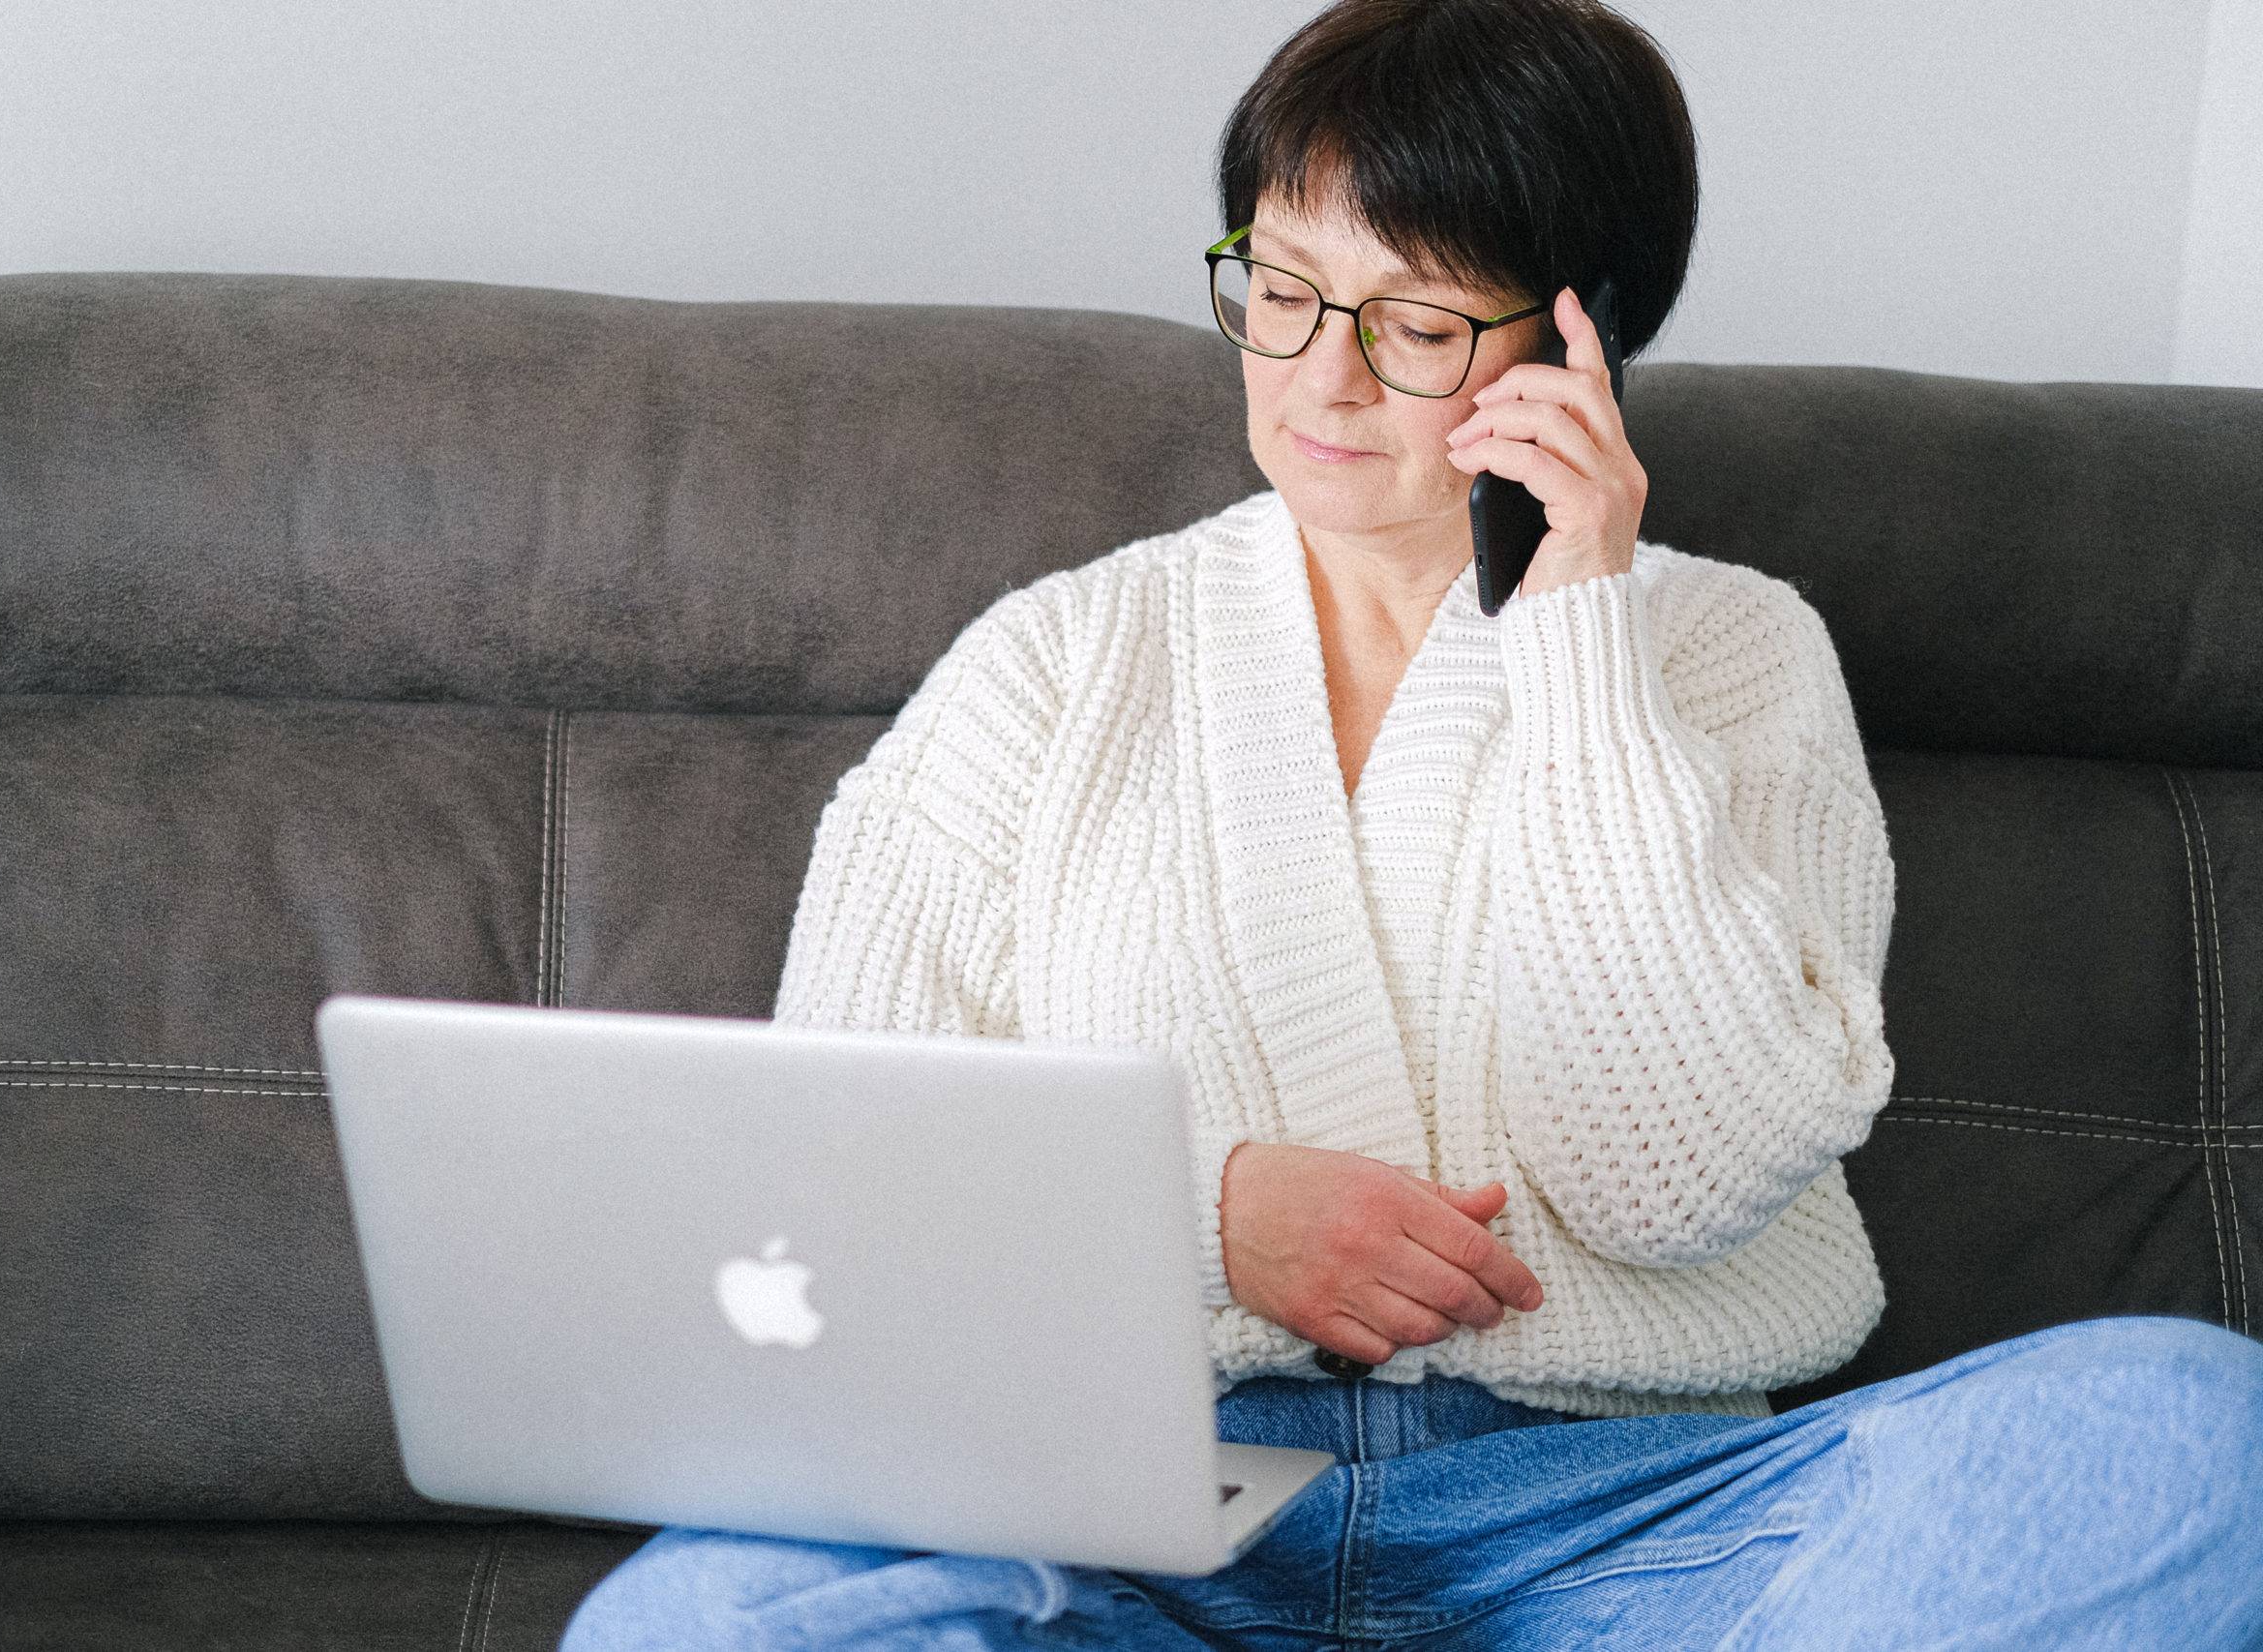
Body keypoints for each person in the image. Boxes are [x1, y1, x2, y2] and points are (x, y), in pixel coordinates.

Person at [560, 1, 2263, 1645]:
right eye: (1286, 289)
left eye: (1420, 321)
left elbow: (1680, 1181)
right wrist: (1203, 1223)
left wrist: (1583, 630)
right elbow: (821, 1186)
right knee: (712, 1611)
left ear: (1575, 341)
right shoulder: (1049, 666)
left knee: (2185, 1435)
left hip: (1639, 1526)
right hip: (1137, 1528)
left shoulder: (1733, 652)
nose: (1327, 378)